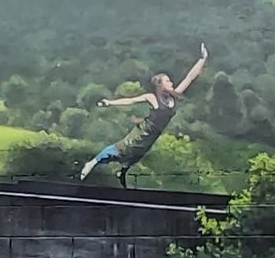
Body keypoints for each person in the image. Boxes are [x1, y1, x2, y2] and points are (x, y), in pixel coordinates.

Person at [80, 45, 209, 185]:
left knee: (136, 155)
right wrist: (110, 103)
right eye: (167, 81)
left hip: (152, 137)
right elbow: (130, 101)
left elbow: (189, 77)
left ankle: (122, 172)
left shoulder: (174, 97)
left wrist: (202, 59)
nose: (171, 83)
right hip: (143, 132)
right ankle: (93, 162)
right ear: (160, 85)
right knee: (122, 148)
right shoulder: (153, 98)